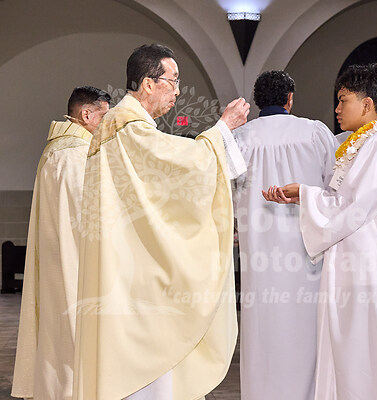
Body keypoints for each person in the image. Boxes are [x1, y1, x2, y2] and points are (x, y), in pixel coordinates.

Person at [72, 44, 249, 400]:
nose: (178, 91)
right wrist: (222, 128)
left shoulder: (119, 127)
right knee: (146, 366)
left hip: (125, 263)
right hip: (138, 274)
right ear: (148, 83)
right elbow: (184, 166)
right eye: (173, 80)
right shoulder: (129, 128)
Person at [263, 63, 377, 399]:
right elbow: (348, 203)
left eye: (343, 100)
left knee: (363, 358)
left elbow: (353, 209)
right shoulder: (369, 144)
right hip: (365, 269)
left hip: (371, 275)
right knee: (357, 356)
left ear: (367, 104)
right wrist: (304, 197)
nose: (336, 108)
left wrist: (305, 194)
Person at [232, 70, 339, 400]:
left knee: (262, 330)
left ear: (257, 101)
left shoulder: (239, 138)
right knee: (304, 330)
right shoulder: (314, 132)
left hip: (258, 252)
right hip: (306, 252)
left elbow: (228, 194)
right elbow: (334, 188)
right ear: (289, 99)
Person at [11, 87, 111, 400]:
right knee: (72, 342)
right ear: (86, 114)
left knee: (59, 338)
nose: (108, 125)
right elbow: (85, 219)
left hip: (60, 260)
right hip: (74, 263)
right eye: (104, 117)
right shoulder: (73, 155)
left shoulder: (59, 149)